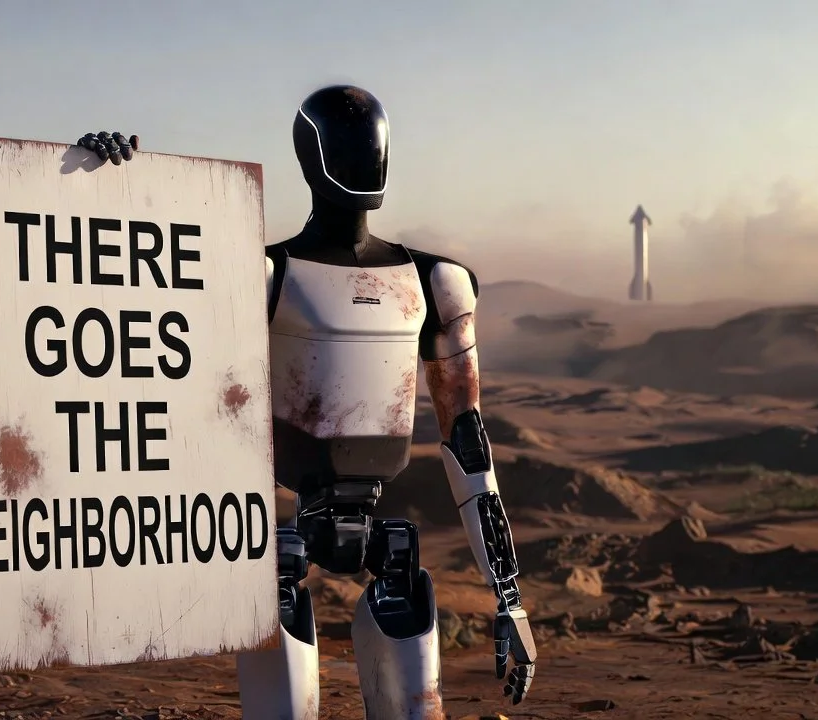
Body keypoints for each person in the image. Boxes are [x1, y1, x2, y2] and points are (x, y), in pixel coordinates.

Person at [77, 84, 536, 719]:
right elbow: (131, 295)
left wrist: (509, 597)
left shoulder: (432, 283)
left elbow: (468, 444)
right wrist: (103, 187)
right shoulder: (271, 276)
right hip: (287, 544)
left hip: (368, 541)